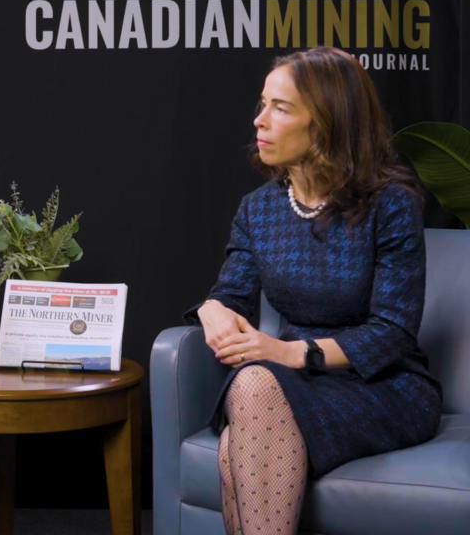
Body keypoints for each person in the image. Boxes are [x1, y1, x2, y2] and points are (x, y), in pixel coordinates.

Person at [188, 47, 442, 535]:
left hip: (383, 384)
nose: (260, 120)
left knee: (248, 404)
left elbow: (392, 333)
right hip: (291, 381)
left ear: (326, 123)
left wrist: (288, 352)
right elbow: (232, 292)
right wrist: (212, 308)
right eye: (263, 104)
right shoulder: (258, 209)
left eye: (280, 108)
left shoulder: (391, 205)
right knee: (250, 396)